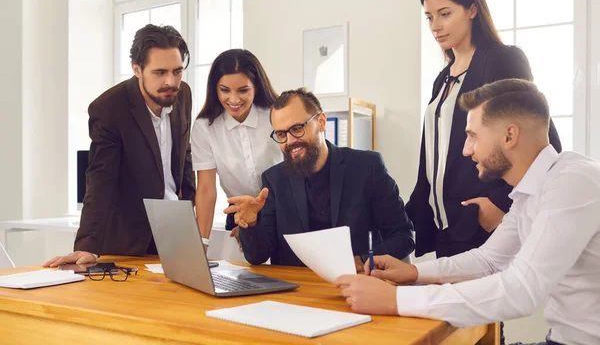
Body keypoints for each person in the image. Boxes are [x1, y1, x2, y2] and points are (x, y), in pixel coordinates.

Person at [335, 79, 600, 345]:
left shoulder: (573, 181)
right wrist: (415, 274)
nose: (466, 149)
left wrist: (394, 300)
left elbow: (522, 291)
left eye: (473, 136)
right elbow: (489, 261)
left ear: (509, 136)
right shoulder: (530, 191)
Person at [408, 0, 562, 259]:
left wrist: (501, 203)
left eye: (445, 13)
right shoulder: (442, 79)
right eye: (429, 17)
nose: (435, 26)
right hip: (445, 223)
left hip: (484, 221)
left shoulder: (502, 60)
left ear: (472, 10)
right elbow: (433, 155)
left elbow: (544, 141)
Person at [45, 24, 196, 267]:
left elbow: (184, 155)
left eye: (177, 71)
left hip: (175, 232)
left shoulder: (183, 94)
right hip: (129, 238)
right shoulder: (109, 109)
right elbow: (100, 178)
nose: (171, 81)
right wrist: (87, 245)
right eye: (160, 73)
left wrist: (192, 211)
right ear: (137, 69)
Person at [225, 88, 415, 271]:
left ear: (321, 122)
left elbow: (404, 236)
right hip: (297, 292)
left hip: (358, 284)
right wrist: (251, 224)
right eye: (282, 134)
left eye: (297, 128)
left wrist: (364, 259)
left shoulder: (367, 167)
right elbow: (257, 257)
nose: (290, 141)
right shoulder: (274, 180)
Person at [191, 49, 281, 251]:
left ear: (256, 86)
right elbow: (206, 190)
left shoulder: (275, 116)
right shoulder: (205, 127)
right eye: (225, 90)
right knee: (243, 278)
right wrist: (202, 244)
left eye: (243, 90)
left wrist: (256, 221)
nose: (233, 99)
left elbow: (296, 172)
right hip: (239, 217)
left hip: (284, 211)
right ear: (214, 88)